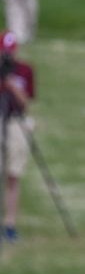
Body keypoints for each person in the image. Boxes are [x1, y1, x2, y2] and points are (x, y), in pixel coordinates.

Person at [0, 31, 34, 242]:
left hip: (16, 122)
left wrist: (12, 85)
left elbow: (26, 103)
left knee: (14, 173)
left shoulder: (24, 71)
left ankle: (10, 225)